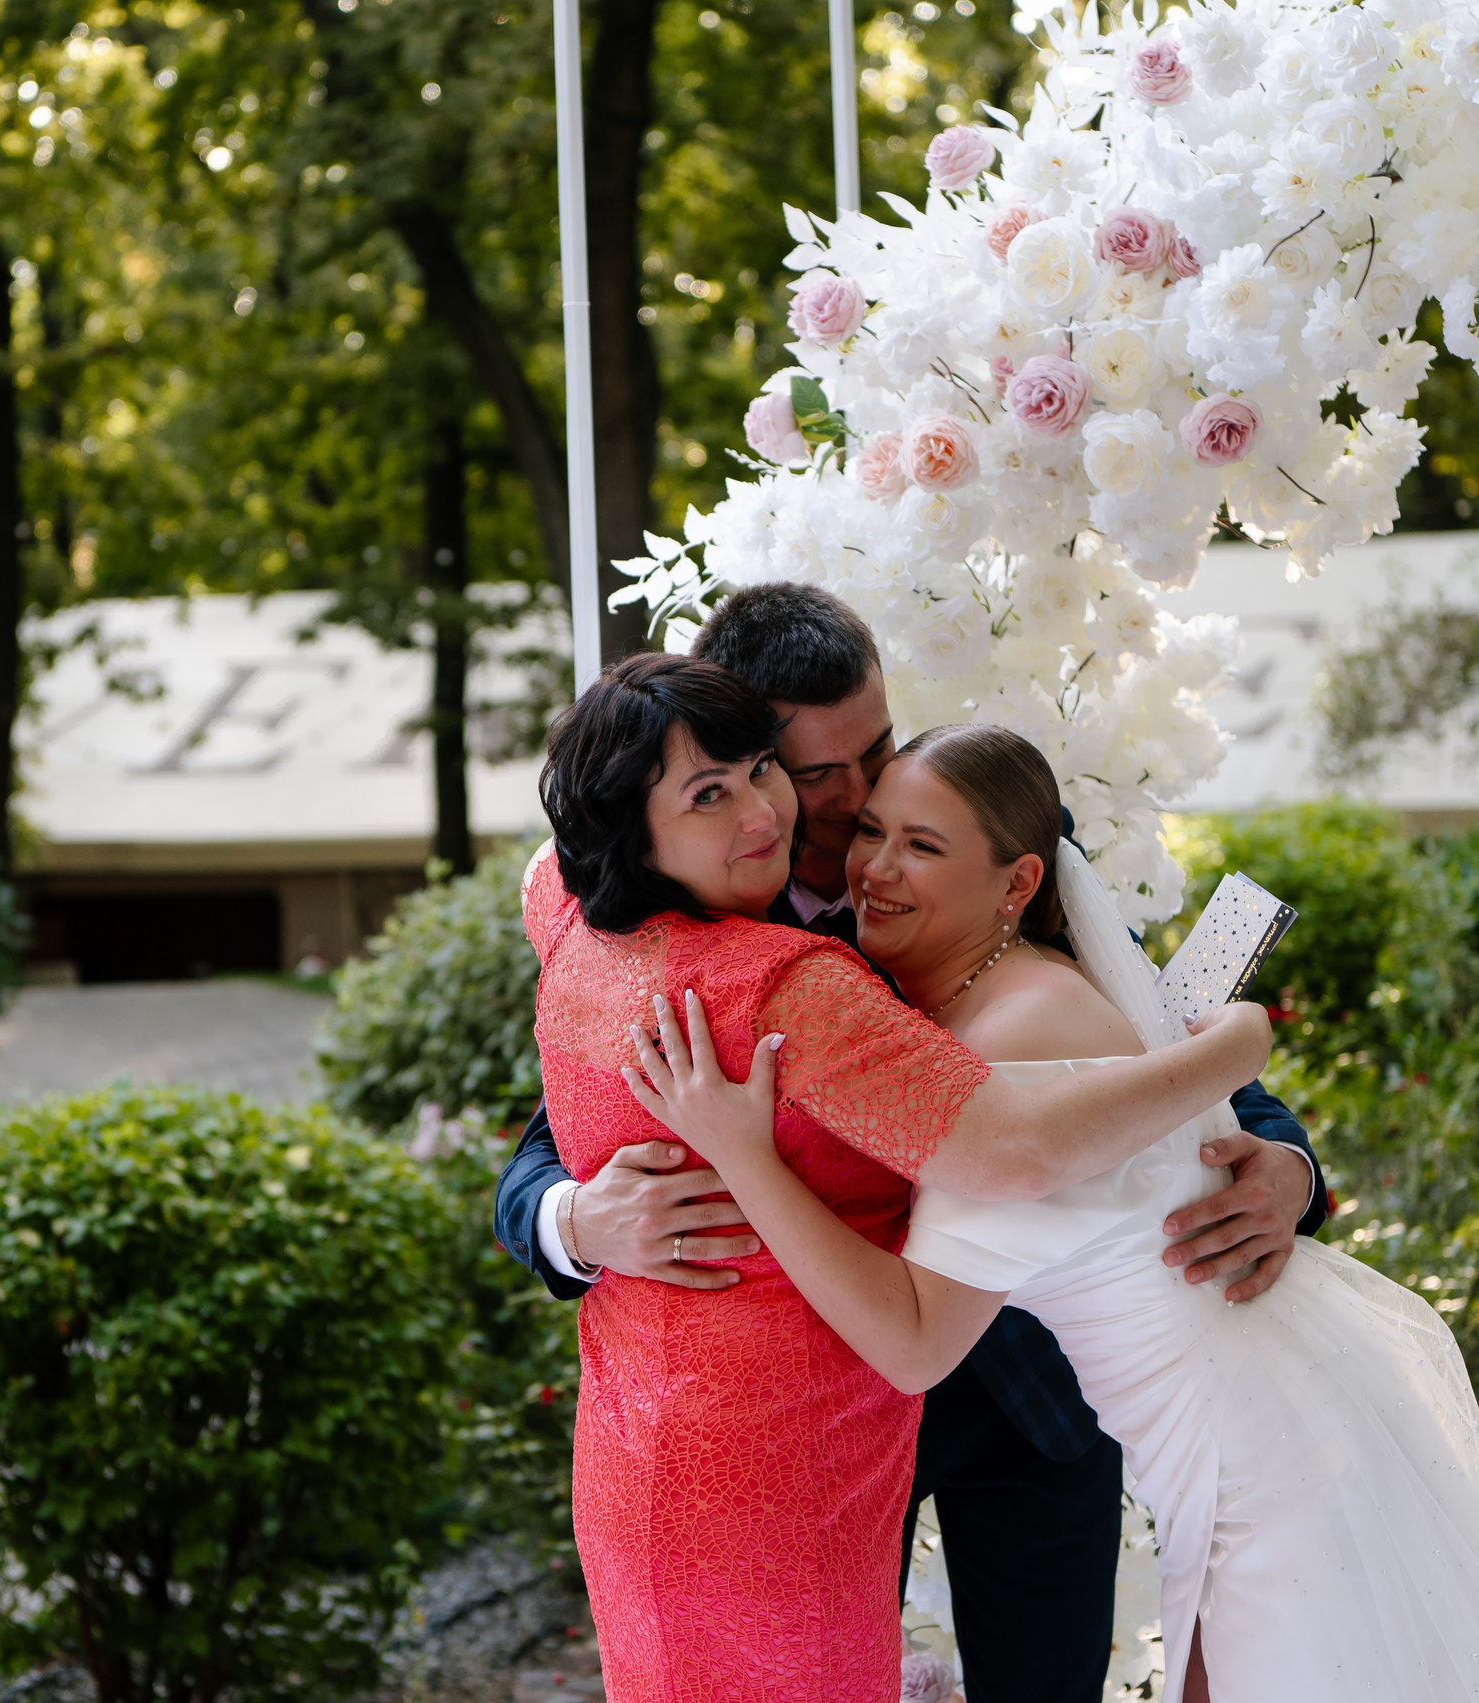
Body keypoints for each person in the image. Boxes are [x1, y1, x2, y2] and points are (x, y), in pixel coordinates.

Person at [624, 725, 1479, 1703]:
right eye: (872, 830)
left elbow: (914, 1340)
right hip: (1232, 1433)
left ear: (1017, 883)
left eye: (923, 845)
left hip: (1264, 1464)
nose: (875, 867)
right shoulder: (977, 989)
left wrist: (742, 1153)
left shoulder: (1020, 1033)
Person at [494, 583, 1326, 1702]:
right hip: (825, 1409)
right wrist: (576, 1217)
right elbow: (555, 1133)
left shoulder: (971, 824)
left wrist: (1285, 1164)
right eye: (814, 769)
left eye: (873, 751)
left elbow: (1133, 1027)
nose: (849, 802)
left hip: (1035, 1384)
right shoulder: (676, 912)